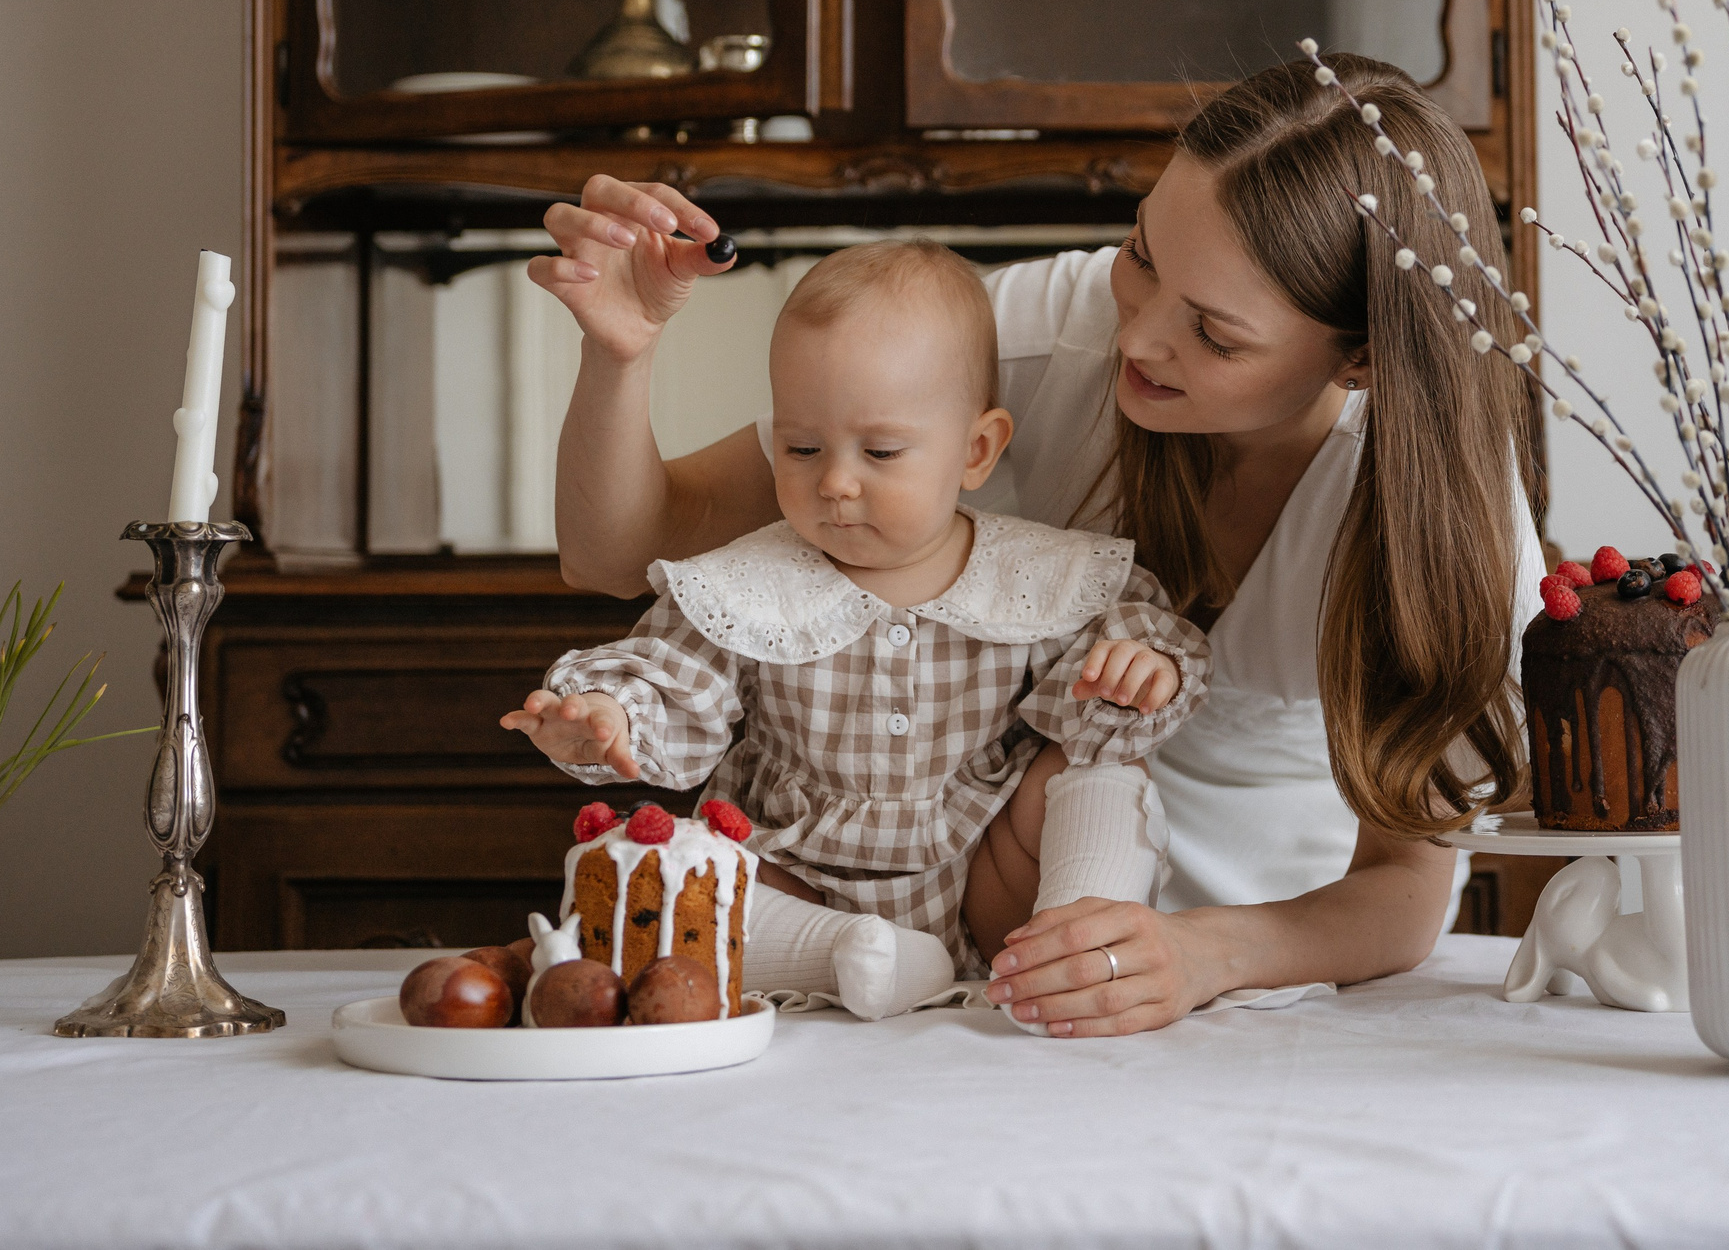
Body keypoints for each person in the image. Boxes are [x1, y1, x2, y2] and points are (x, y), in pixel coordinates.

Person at [529, 53, 1543, 1037]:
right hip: (979, 939)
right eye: (1141, 254)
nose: (1138, 338)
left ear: (1359, 358)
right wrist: (619, 352)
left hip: (1275, 975)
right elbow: (620, 552)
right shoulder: (1029, 334)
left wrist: (1199, 954)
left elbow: (1404, 889)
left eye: (1214, 335)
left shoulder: (1440, 512)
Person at [502, 241, 1209, 1022]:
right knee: (646, 865)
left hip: (993, 884)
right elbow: (674, 676)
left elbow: (1139, 651)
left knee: (1103, 773)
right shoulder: (747, 583)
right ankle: (852, 956)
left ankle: (1072, 944)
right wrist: (610, 716)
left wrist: (1144, 669)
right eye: (801, 448)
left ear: (977, 450)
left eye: (879, 452)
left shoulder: (1042, 576)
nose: (834, 482)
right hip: (799, 877)